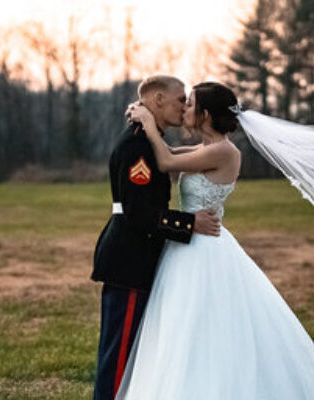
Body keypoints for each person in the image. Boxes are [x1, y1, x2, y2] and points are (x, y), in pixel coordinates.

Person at [114, 82, 314, 399]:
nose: (185, 109)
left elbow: (166, 162)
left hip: (205, 247)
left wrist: (148, 121)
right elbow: (166, 155)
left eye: (191, 103)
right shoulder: (208, 149)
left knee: (206, 320)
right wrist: (147, 121)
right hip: (188, 242)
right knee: (183, 325)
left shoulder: (225, 152)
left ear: (206, 114)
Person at [90, 75, 220, 400]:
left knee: (135, 354)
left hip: (137, 258)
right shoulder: (137, 145)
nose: (183, 106)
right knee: (118, 359)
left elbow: (173, 160)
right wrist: (189, 223)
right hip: (130, 260)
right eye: (180, 100)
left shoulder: (149, 140)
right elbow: (137, 212)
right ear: (158, 100)